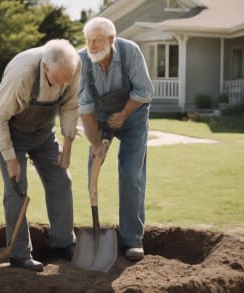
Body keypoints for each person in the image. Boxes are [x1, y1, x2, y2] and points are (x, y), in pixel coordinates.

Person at [0, 39, 81, 272]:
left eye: (68, 77)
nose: (65, 83)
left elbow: (70, 105)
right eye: (60, 78)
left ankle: (62, 242)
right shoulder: (22, 74)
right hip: (12, 133)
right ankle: (19, 255)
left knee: (61, 180)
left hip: (44, 134)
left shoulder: (72, 67)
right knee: (17, 190)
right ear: (46, 68)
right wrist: (10, 159)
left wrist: (67, 148)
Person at [78, 17, 154, 261]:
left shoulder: (130, 51)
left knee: (131, 174)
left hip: (133, 117)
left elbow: (144, 91)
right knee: (93, 169)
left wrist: (124, 114)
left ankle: (133, 239)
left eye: (97, 41)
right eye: (88, 40)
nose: (91, 46)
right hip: (99, 119)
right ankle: (94, 231)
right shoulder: (81, 60)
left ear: (111, 40)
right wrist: (95, 144)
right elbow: (86, 108)